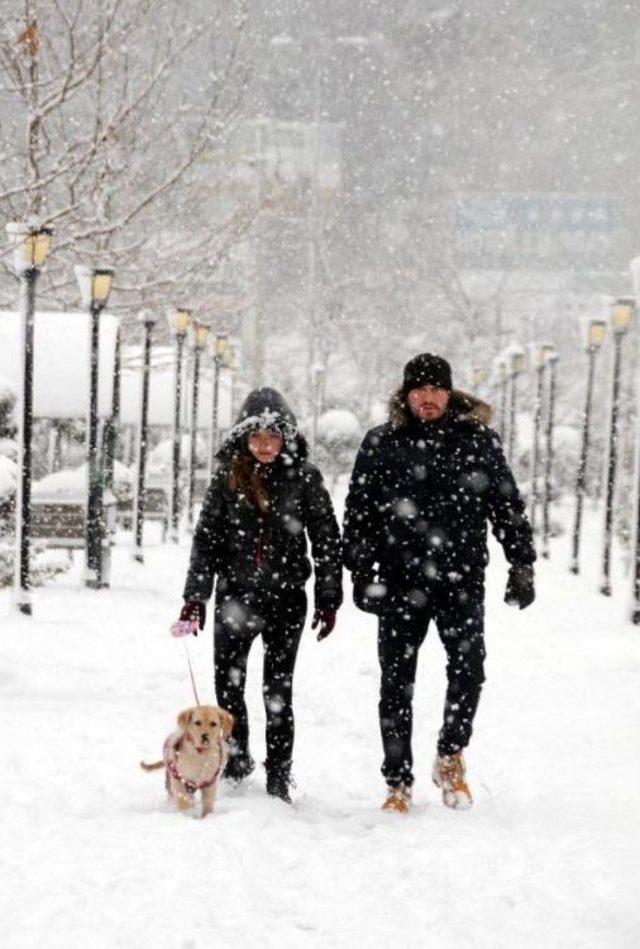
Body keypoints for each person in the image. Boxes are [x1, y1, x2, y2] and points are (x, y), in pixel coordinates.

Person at [343, 353, 535, 814]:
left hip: (460, 581)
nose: (427, 398)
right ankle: (398, 782)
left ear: (449, 394)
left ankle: (450, 755)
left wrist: (521, 564)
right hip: (397, 582)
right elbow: (359, 513)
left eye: (436, 390)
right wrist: (360, 569)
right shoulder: (382, 443)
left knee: (469, 672)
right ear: (405, 394)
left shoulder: (478, 442)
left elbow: (505, 505)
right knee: (396, 684)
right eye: (419, 390)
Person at [178, 387, 343, 804]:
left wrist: (328, 597)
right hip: (235, 597)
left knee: (277, 692)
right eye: (256, 437)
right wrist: (196, 596)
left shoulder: (305, 478)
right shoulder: (227, 478)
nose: (265, 445)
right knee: (228, 688)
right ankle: (236, 760)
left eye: (273, 436)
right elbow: (206, 540)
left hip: (286, 601)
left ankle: (279, 776)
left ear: (286, 437)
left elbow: (326, 538)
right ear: (243, 438)